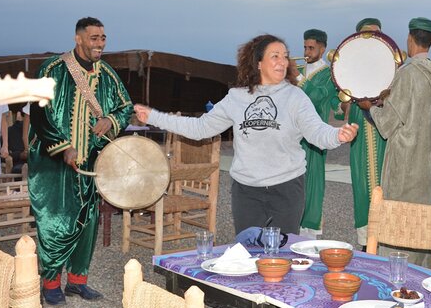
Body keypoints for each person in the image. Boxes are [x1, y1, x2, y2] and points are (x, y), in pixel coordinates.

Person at [134, 34, 358, 237]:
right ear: (258, 63)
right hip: (246, 191)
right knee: (248, 254)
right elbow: (201, 128)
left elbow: (317, 132)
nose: (283, 61)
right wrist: (154, 117)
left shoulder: (295, 97)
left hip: (287, 188)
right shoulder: (236, 98)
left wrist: (339, 135)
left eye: (285, 56)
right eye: (275, 56)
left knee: (282, 257)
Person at [28, 17, 133, 305]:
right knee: (54, 221)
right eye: (94, 37)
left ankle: (77, 280)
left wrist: (109, 120)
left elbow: (125, 106)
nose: (100, 43)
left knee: (87, 221)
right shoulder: (52, 69)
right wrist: (63, 148)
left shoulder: (107, 74)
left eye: (103, 37)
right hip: (53, 162)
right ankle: (50, 283)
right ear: (78, 39)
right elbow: (39, 114)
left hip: (91, 163)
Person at [357, 17, 431, 268]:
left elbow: (387, 125)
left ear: (409, 38)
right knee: (422, 228)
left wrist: (369, 107)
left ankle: (393, 279)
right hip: (428, 168)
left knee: (399, 226)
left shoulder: (408, 73)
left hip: (405, 166)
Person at [345, 17, 388, 250]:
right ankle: (364, 245)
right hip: (360, 139)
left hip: (385, 138)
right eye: (368, 35)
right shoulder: (347, 69)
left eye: (377, 34)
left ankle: (383, 242)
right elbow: (341, 105)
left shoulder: (392, 68)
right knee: (361, 190)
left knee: (385, 188)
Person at [295, 29, 341, 239]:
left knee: (312, 181)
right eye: (305, 47)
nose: (307, 51)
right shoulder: (301, 68)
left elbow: (316, 95)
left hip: (314, 135)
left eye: (311, 48)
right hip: (293, 135)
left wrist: (295, 76)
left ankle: (309, 234)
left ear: (322, 49)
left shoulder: (329, 74)